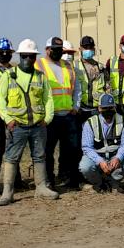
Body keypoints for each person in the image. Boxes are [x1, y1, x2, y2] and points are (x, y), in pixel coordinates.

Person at [0, 39, 59, 206]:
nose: (28, 60)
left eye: (31, 57)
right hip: (17, 126)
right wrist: (8, 120)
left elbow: (48, 98)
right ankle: (8, 191)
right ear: (19, 56)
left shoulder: (40, 76)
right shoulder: (8, 76)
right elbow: (0, 100)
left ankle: (41, 187)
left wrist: (48, 118)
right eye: (25, 56)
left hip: (38, 125)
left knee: (39, 156)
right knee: (11, 158)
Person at [36, 37, 81, 189]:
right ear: (47, 49)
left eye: (60, 50)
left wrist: (76, 106)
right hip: (50, 118)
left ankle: (73, 181)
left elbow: (76, 88)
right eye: (54, 49)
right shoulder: (39, 65)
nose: (57, 52)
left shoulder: (67, 66)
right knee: (48, 152)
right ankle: (49, 182)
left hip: (68, 115)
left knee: (72, 151)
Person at [79, 93, 124, 193]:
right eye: (105, 108)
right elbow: (87, 147)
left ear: (115, 107)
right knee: (85, 166)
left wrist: (118, 157)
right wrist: (100, 161)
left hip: (114, 155)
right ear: (99, 108)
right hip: (97, 156)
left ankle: (114, 181)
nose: (108, 111)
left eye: (111, 108)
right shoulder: (90, 123)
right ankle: (99, 182)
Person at [0, 37, 24, 190]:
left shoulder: (16, 71)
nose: (4, 54)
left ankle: (16, 181)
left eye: (7, 52)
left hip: (13, 117)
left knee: (14, 149)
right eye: (1, 52)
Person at [75, 35, 106, 121]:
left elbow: (107, 88)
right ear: (80, 49)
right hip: (80, 110)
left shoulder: (101, 67)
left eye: (91, 47)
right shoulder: (74, 66)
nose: (88, 49)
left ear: (94, 49)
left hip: (97, 110)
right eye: (85, 47)